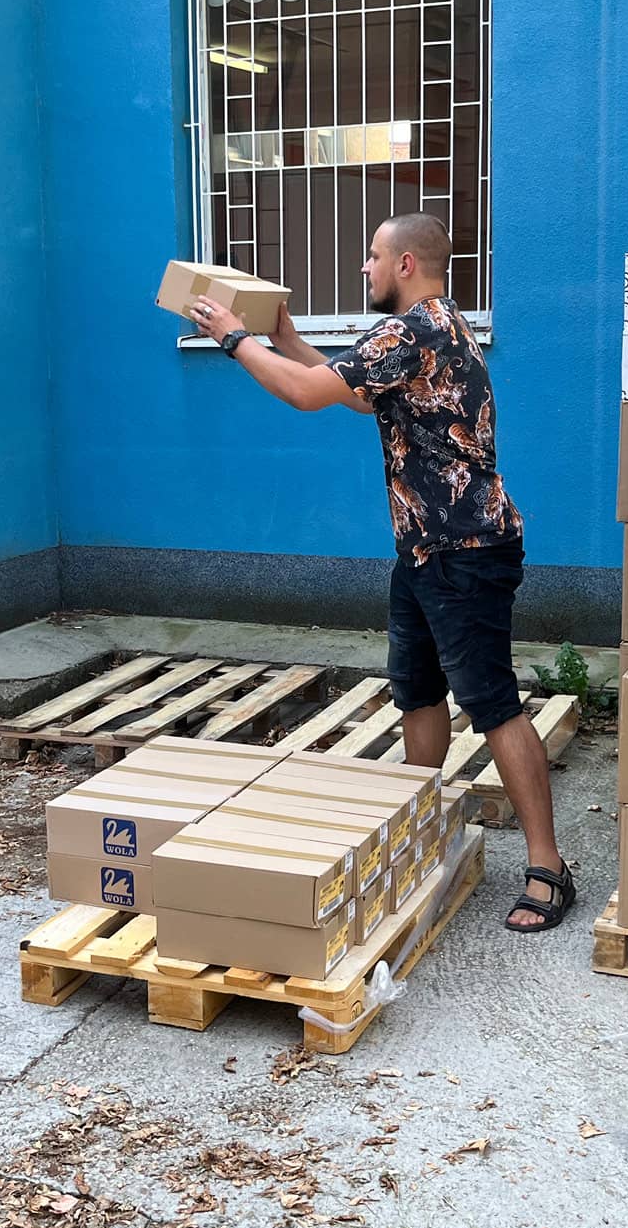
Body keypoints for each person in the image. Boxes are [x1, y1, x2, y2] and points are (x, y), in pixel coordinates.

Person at [187, 213, 574, 932]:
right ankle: (416, 829)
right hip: (426, 552)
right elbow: (351, 390)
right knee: (419, 694)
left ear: (404, 264)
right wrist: (283, 335)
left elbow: (305, 396)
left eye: (371, 257)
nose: (363, 269)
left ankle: (549, 866)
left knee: (491, 703)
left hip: (464, 552)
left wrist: (234, 339)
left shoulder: (416, 328)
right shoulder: (434, 326)